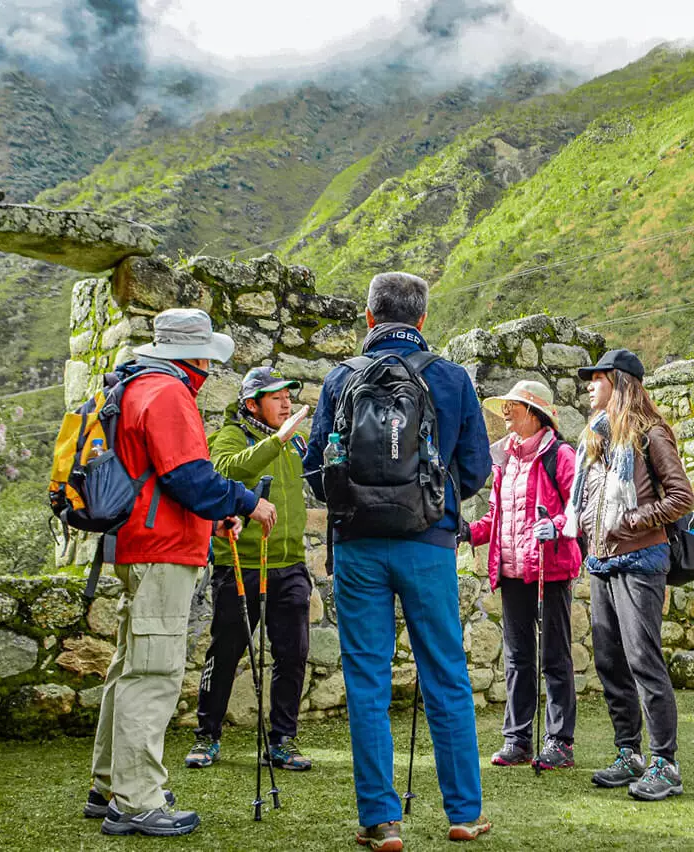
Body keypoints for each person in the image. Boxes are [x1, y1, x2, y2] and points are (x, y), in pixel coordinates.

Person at [306, 272, 493, 851]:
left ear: (368, 318)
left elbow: (316, 472)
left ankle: (381, 820)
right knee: (446, 674)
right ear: (421, 320)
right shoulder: (451, 378)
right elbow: (479, 468)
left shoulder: (341, 379)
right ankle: (462, 813)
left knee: (366, 679)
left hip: (358, 544)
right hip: (429, 542)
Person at [85, 308, 277, 837]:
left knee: (128, 668)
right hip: (161, 551)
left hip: (141, 543)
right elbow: (191, 478)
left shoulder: (137, 386)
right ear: (193, 354)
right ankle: (137, 800)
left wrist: (210, 521)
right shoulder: (167, 394)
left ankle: (110, 785)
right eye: (207, 358)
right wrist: (244, 502)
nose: (208, 369)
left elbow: (163, 483)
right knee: (153, 674)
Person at [562, 349, 694, 802]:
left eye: (595, 379)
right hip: (602, 562)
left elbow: (681, 497)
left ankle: (665, 763)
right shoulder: (597, 440)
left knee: (643, 660)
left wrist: (634, 521)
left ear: (618, 382)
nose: (588, 386)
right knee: (610, 662)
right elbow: (592, 504)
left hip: (640, 560)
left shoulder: (651, 434)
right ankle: (629, 754)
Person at [186, 366, 314, 771]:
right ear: (251, 404)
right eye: (276, 397)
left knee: (292, 655)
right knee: (225, 652)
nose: (286, 403)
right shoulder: (233, 435)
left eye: (287, 396)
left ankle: (282, 740)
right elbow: (222, 471)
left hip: (290, 564)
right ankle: (207, 736)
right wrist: (276, 440)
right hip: (239, 564)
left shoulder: (295, 443)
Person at [461, 381, 582, 771]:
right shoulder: (506, 460)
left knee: (555, 658)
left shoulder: (560, 455)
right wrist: (468, 532)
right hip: (512, 571)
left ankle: (560, 742)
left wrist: (558, 524)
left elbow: (579, 507)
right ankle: (518, 740)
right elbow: (497, 517)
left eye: (512, 406)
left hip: (551, 571)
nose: (506, 413)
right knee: (517, 659)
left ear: (534, 412)